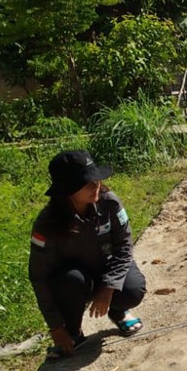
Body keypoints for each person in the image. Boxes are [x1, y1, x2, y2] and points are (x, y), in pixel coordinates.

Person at [29, 150, 146, 359]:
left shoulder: (110, 203)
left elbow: (125, 247)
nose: (96, 185)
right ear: (66, 190)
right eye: (86, 182)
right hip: (77, 280)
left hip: (107, 267)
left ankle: (118, 311)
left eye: (96, 178)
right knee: (68, 282)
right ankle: (73, 331)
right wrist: (56, 327)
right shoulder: (47, 223)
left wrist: (109, 288)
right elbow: (38, 276)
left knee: (133, 289)